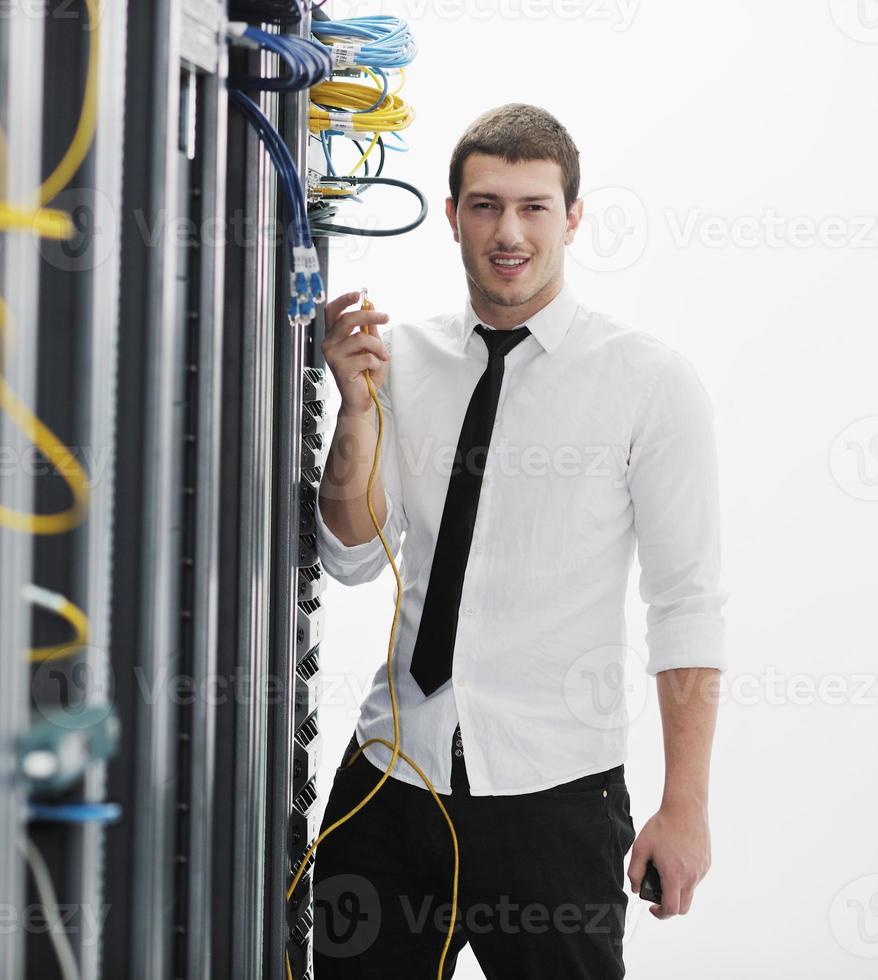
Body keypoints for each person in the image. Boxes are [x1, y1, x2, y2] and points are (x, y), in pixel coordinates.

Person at [312, 103, 728, 978]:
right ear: (454, 213)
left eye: (534, 206)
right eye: (486, 204)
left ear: (573, 217)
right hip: (393, 781)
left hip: (555, 803)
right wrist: (354, 413)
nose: (509, 232)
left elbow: (686, 601)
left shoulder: (647, 381)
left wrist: (683, 804)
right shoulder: (399, 361)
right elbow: (349, 554)